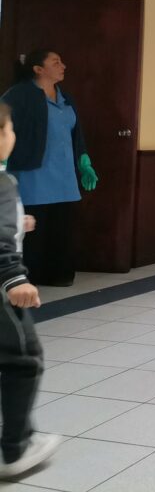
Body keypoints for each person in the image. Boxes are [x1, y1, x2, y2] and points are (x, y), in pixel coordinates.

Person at [0, 101, 60, 480]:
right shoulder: (3, 182)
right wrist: (14, 278)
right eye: (9, 129)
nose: (13, 136)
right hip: (2, 289)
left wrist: (18, 221)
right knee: (23, 359)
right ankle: (16, 449)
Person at [1, 50, 97, 287]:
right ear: (38, 69)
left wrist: (84, 162)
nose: (63, 66)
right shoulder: (19, 95)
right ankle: (25, 277)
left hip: (64, 177)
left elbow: (75, 134)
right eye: (56, 62)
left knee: (61, 228)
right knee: (34, 230)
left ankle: (59, 275)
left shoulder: (65, 98)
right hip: (32, 175)